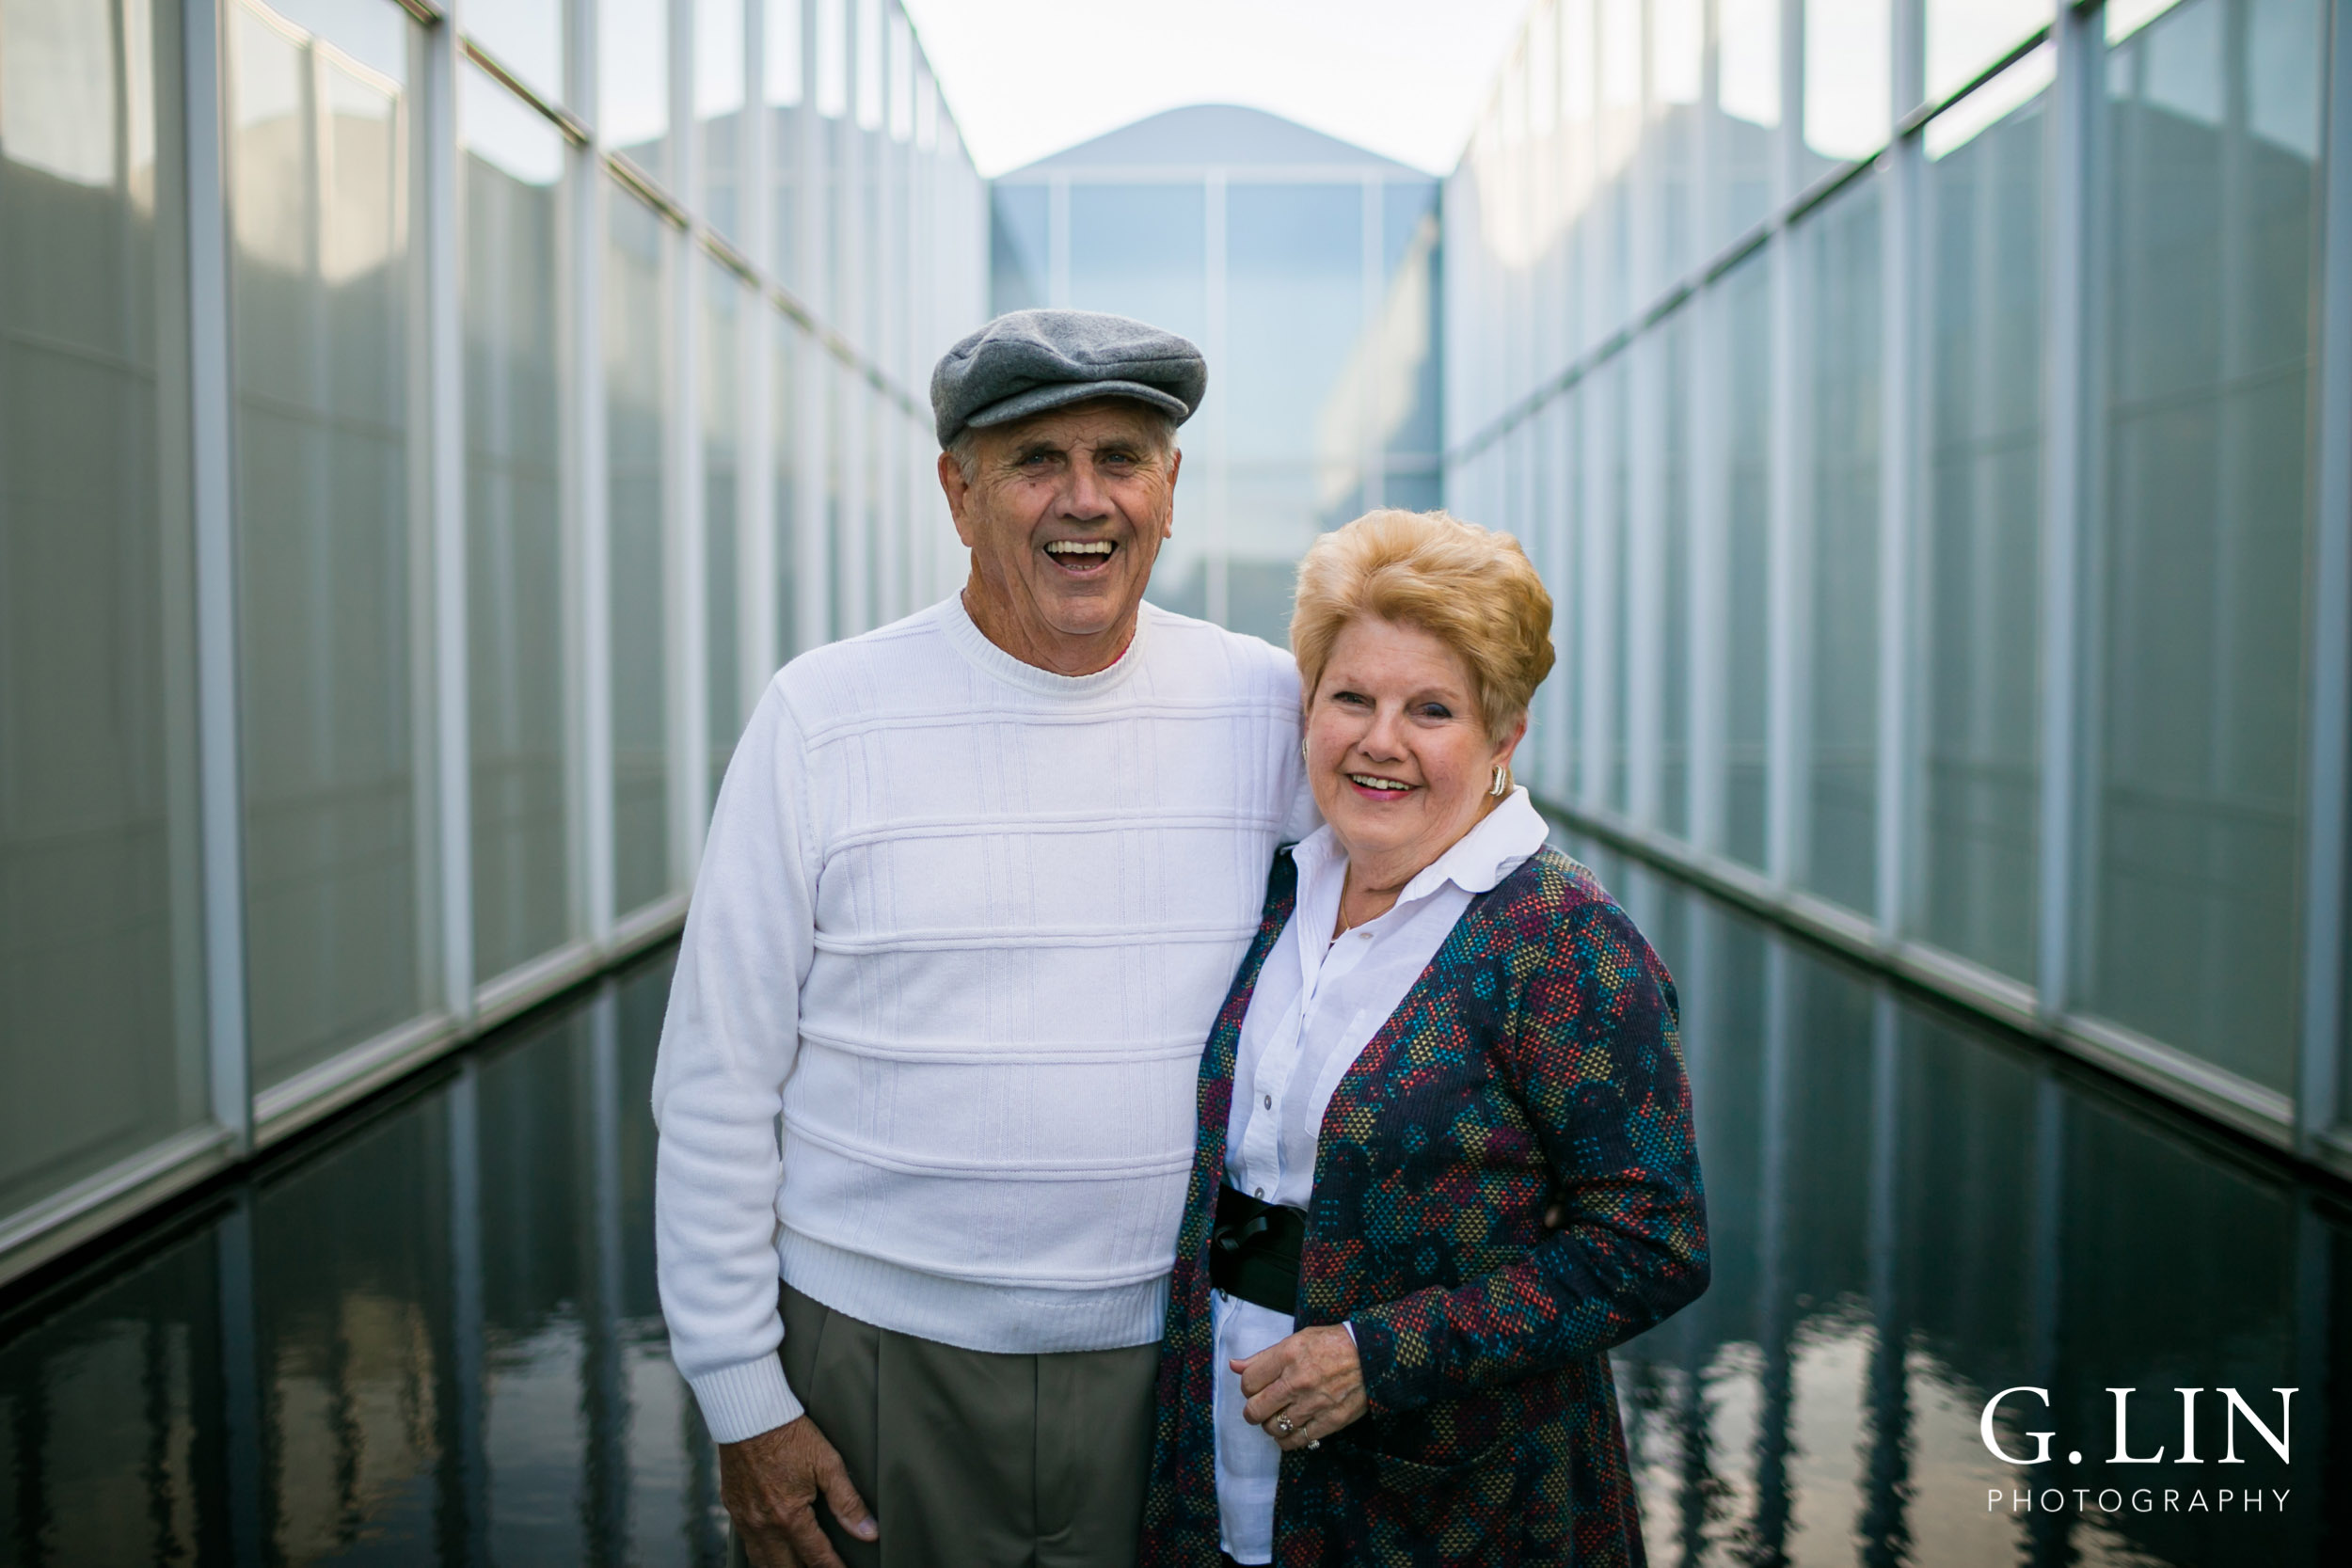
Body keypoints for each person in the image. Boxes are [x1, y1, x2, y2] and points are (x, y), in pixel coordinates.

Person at [652, 309, 1314, 1568]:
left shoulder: (1267, 705)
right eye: (1034, 461)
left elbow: (1438, 875)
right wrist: (744, 1397)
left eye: (1123, 456)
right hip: (874, 1367)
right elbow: (716, 1086)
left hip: (1174, 1359)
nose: (1086, 500)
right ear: (957, 492)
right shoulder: (822, 717)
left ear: (1172, 490)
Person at [1138, 509, 1710, 1567]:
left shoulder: (1559, 938)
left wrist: (1378, 1354)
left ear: (1502, 737)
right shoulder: (1280, 893)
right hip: (1221, 1466)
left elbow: (1651, 1242)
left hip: (1455, 1505)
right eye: (1350, 696)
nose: (1380, 739)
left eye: (1431, 708)